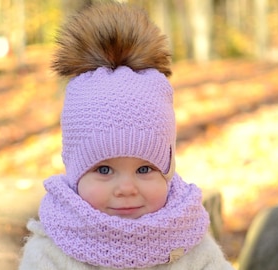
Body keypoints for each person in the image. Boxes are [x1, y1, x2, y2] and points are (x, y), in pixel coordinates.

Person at [19, 2, 234, 269]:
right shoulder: (51, 252)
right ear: (75, 174)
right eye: (105, 169)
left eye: (145, 168)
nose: (126, 189)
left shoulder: (191, 244)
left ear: (168, 170)